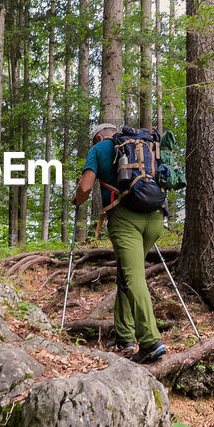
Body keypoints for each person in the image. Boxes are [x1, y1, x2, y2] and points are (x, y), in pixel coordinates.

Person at [72, 122, 167, 363]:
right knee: (126, 275)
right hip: (155, 218)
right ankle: (125, 335)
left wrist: (77, 199)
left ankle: (150, 342)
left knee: (134, 277)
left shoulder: (100, 148)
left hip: (125, 218)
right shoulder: (144, 144)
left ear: (99, 135)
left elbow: (85, 187)